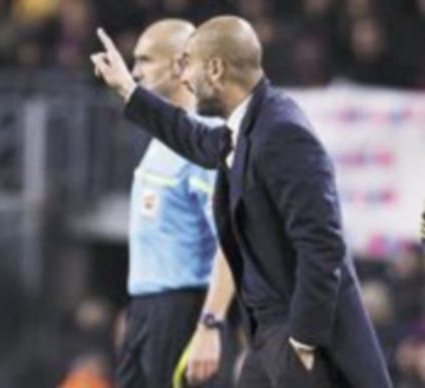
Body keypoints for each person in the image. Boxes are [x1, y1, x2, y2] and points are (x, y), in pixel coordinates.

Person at [91, 15, 391, 388]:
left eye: (190, 66)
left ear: (215, 69)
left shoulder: (282, 132)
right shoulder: (246, 126)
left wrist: (303, 340)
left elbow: (323, 245)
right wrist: (129, 92)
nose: (185, 79)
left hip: (298, 333)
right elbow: (192, 138)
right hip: (267, 334)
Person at [113, 19, 235, 388]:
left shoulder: (206, 142)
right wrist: (138, 309)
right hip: (146, 310)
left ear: (180, 63)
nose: (135, 72)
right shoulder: (162, 138)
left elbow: (231, 243)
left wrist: (210, 325)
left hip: (184, 312)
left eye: (145, 59)